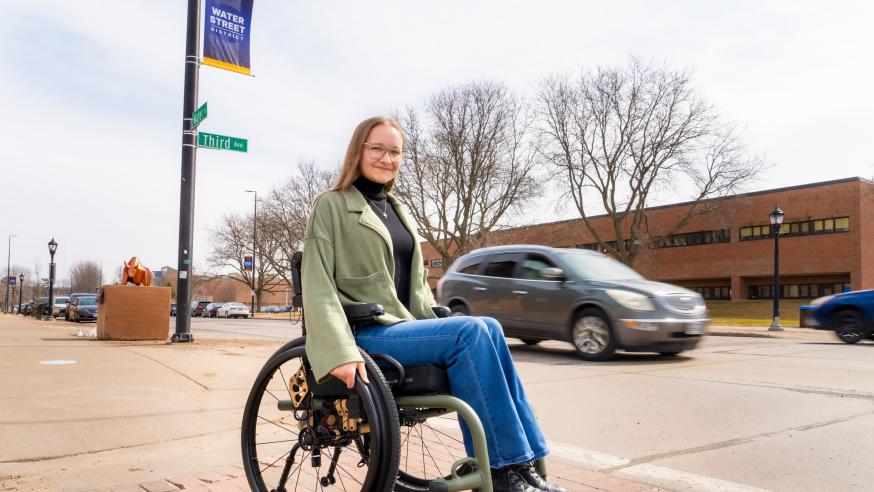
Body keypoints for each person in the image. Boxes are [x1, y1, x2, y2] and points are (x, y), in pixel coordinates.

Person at [302, 116, 565, 492]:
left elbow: (416, 284)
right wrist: (340, 352)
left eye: (395, 152)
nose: (387, 158)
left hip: (402, 325)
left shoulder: (397, 209)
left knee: (490, 327)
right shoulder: (331, 205)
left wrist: (434, 314)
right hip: (365, 333)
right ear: (357, 151)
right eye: (377, 149)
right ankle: (503, 471)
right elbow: (317, 283)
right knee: (469, 332)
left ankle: (525, 465)